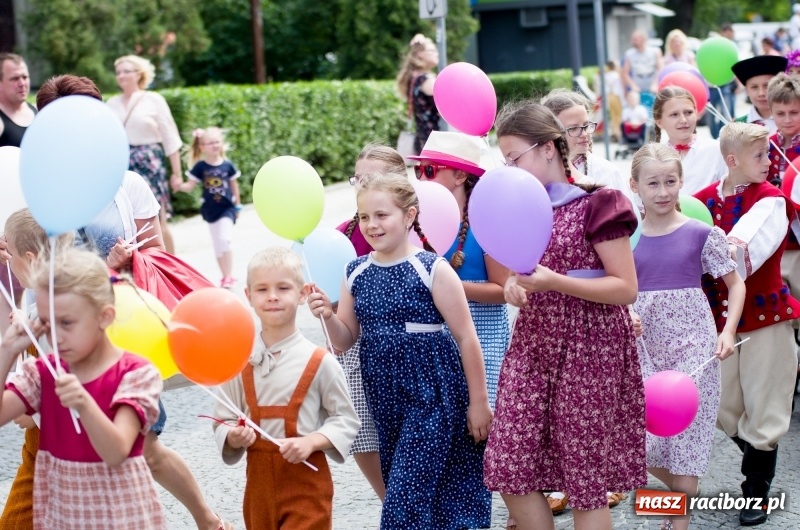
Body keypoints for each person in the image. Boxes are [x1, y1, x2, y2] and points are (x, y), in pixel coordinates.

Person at [36, 73, 231, 530]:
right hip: (60, 335)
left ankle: (207, 519)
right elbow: (38, 270)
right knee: (74, 456)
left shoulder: (128, 184)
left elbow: (158, 256)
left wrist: (124, 262)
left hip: (120, 334)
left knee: (145, 446)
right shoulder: (39, 189)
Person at [484, 100, 646, 530]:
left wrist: (556, 281)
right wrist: (514, 287)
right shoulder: (517, 207)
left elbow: (625, 288)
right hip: (533, 345)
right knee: (508, 462)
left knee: (585, 481)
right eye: (505, 162)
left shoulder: (598, 203)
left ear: (547, 149)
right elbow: (511, 276)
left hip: (592, 348)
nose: (510, 169)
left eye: (514, 158)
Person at [308, 172, 493, 529]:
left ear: (409, 215)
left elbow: (467, 337)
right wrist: (327, 316)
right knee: (426, 498)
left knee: (403, 502)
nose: (371, 225)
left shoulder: (431, 269)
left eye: (382, 215)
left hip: (434, 399)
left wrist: (479, 402)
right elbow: (344, 339)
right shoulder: (356, 272)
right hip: (388, 403)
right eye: (364, 217)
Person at [0, 247, 165, 528]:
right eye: (47, 323)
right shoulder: (45, 372)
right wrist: (6, 351)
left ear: (104, 316)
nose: (56, 336)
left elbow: (116, 452)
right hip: (64, 518)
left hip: (123, 518)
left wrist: (84, 404)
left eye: (66, 323)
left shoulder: (136, 373)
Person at [629, 143, 745, 530]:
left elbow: (736, 284)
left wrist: (728, 332)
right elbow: (616, 290)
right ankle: (680, 505)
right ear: (636, 186)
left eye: (670, 182)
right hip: (644, 349)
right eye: (653, 183)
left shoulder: (700, 233)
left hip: (695, 347)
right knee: (643, 447)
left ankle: (677, 523)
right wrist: (626, 312)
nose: (663, 192)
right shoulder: (626, 240)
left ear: (681, 183)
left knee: (688, 441)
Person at [694, 122, 800, 526]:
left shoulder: (772, 199)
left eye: (770, 152)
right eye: (759, 155)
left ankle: (755, 490)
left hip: (764, 316)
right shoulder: (700, 202)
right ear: (733, 160)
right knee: (722, 406)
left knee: (766, 405)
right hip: (717, 321)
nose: (769, 161)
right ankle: (759, 452)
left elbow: (745, 253)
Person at [212, 247, 359, 529]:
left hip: (307, 488)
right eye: (262, 289)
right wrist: (232, 436)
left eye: (283, 288)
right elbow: (222, 418)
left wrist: (311, 442)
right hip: (258, 491)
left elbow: (345, 418)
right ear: (249, 296)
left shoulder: (320, 361)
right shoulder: (240, 363)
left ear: (303, 294)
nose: (272, 296)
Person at [335, 143, 407, 504]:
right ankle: (390, 505)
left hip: (407, 345)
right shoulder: (342, 235)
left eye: (374, 178)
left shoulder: (412, 226)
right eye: (359, 178)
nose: (364, 185)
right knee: (363, 433)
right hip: (357, 344)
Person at [0, 208, 73, 528]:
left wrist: (32, 411)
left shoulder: (52, 315)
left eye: (10, 254)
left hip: (59, 446)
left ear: (29, 258)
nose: (7, 261)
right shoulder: (52, 293)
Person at [107, 54, 183, 255]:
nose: (121, 76)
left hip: (150, 162)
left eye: (126, 71)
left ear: (139, 74)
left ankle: (170, 267)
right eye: (118, 72)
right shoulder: (111, 104)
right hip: (121, 163)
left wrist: (177, 173)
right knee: (126, 221)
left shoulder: (153, 100)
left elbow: (170, 136)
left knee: (157, 220)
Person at [542, 89, 636, 206]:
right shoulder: (541, 173)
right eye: (573, 128)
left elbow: (629, 217)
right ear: (551, 132)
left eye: (586, 125)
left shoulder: (606, 172)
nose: (585, 134)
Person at [174, 127, 241, 288]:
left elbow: (234, 185)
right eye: (210, 143)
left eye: (217, 142)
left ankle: (229, 274)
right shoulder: (201, 167)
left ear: (222, 144)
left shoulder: (228, 165)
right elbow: (190, 186)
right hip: (210, 210)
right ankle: (225, 276)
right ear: (202, 147)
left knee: (225, 239)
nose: (215, 145)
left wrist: (238, 205)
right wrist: (179, 185)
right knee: (218, 244)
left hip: (227, 208)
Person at [0, 53, 36, 336]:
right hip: (5, 223)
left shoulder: (38, 114)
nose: (22, 83)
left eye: (24, 76)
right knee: (11, 300)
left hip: (37, 219)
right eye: (14, 78)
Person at [652, 86, 728, 195]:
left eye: (688, 112)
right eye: (674, 114)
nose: (683, 120)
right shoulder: (654, 157)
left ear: (697, 114)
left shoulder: (716, 149)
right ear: (659, 122)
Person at [395, 34, 440, 154]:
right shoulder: (426, 80)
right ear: (420, 54)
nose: (437, 53)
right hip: (436, 142)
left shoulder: (415, 78)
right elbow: (444, 109)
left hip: (424, 140)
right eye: (432, 50)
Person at [732, 55, 788, 134]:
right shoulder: (739, 125)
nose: (761, 93)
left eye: (767, 85)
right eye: (754, 87)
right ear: (747, 90)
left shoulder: (793, 120)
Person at [707, 25, 739, 139]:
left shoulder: (733, 46)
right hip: (710, 84)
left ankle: (723, 136)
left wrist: (738, 84)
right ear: (722, 32)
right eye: (727, 32)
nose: (729, 35)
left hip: (727, 84)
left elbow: (735, 66)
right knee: (711, 114)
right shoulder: (713, 46)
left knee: (727, 112)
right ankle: (715, 136)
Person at [621, 29, 663, 110]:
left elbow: (660, 68)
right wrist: (632, 85)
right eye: (632, 39)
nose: (633, 41)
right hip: (638, 85)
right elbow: (624, 73)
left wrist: (655, 83)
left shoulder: (655, 51)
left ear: (643, 39)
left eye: (635, 39)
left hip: (652, 84)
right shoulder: (629, 54)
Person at [598, 60, 624, 143]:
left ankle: (614, 132)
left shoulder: (605, 76)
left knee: (613, 116)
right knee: (619, 115)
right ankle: (618, 133)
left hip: (609, 96)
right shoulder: (616, 75)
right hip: (616, 96)